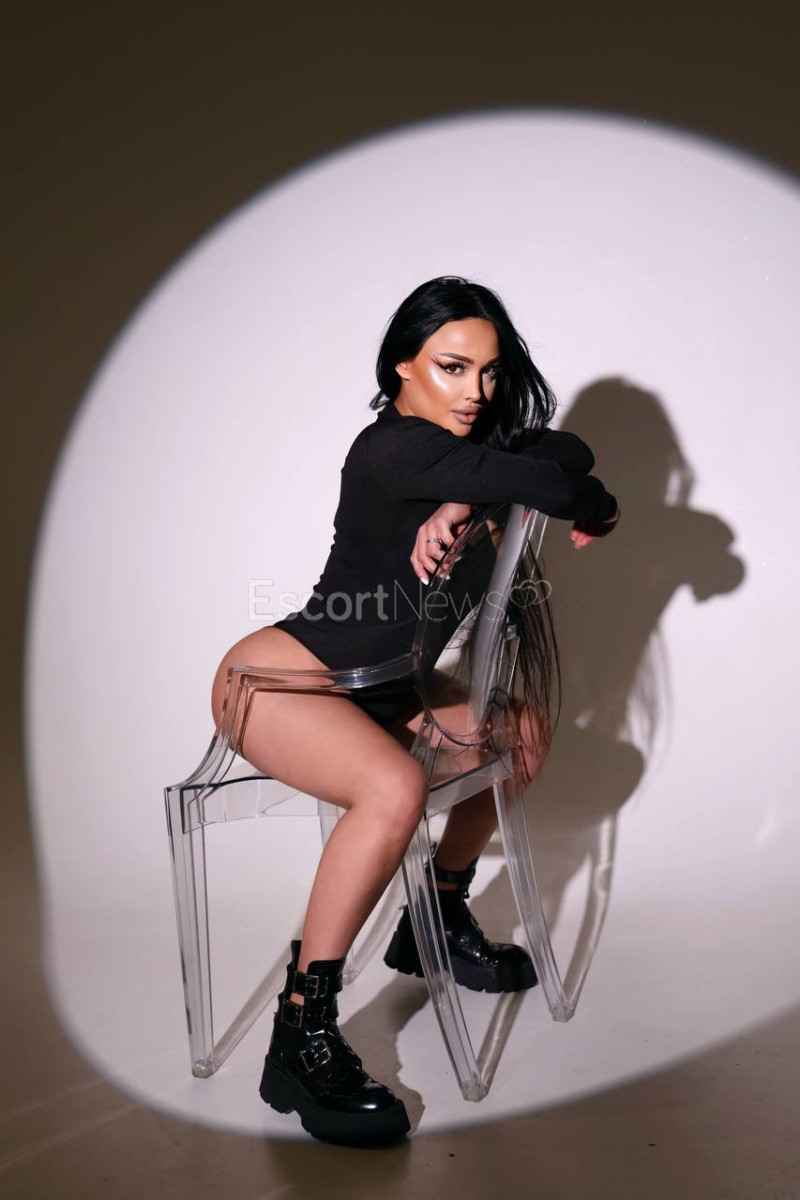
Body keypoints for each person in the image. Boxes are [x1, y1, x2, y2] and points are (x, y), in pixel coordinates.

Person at [210, 275, 620, 1145]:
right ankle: (302, 1030)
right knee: (392, 788)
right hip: (282, 683)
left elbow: (568, 447)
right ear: (402, 365)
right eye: (451, 367)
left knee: (523, 732)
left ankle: (436, 913)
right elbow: (560, 483)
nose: (475, 392)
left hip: (386, 688)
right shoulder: (391, 449)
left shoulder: (465, 458)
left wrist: (470, 498)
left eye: (489, 371)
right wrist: (581, 500)